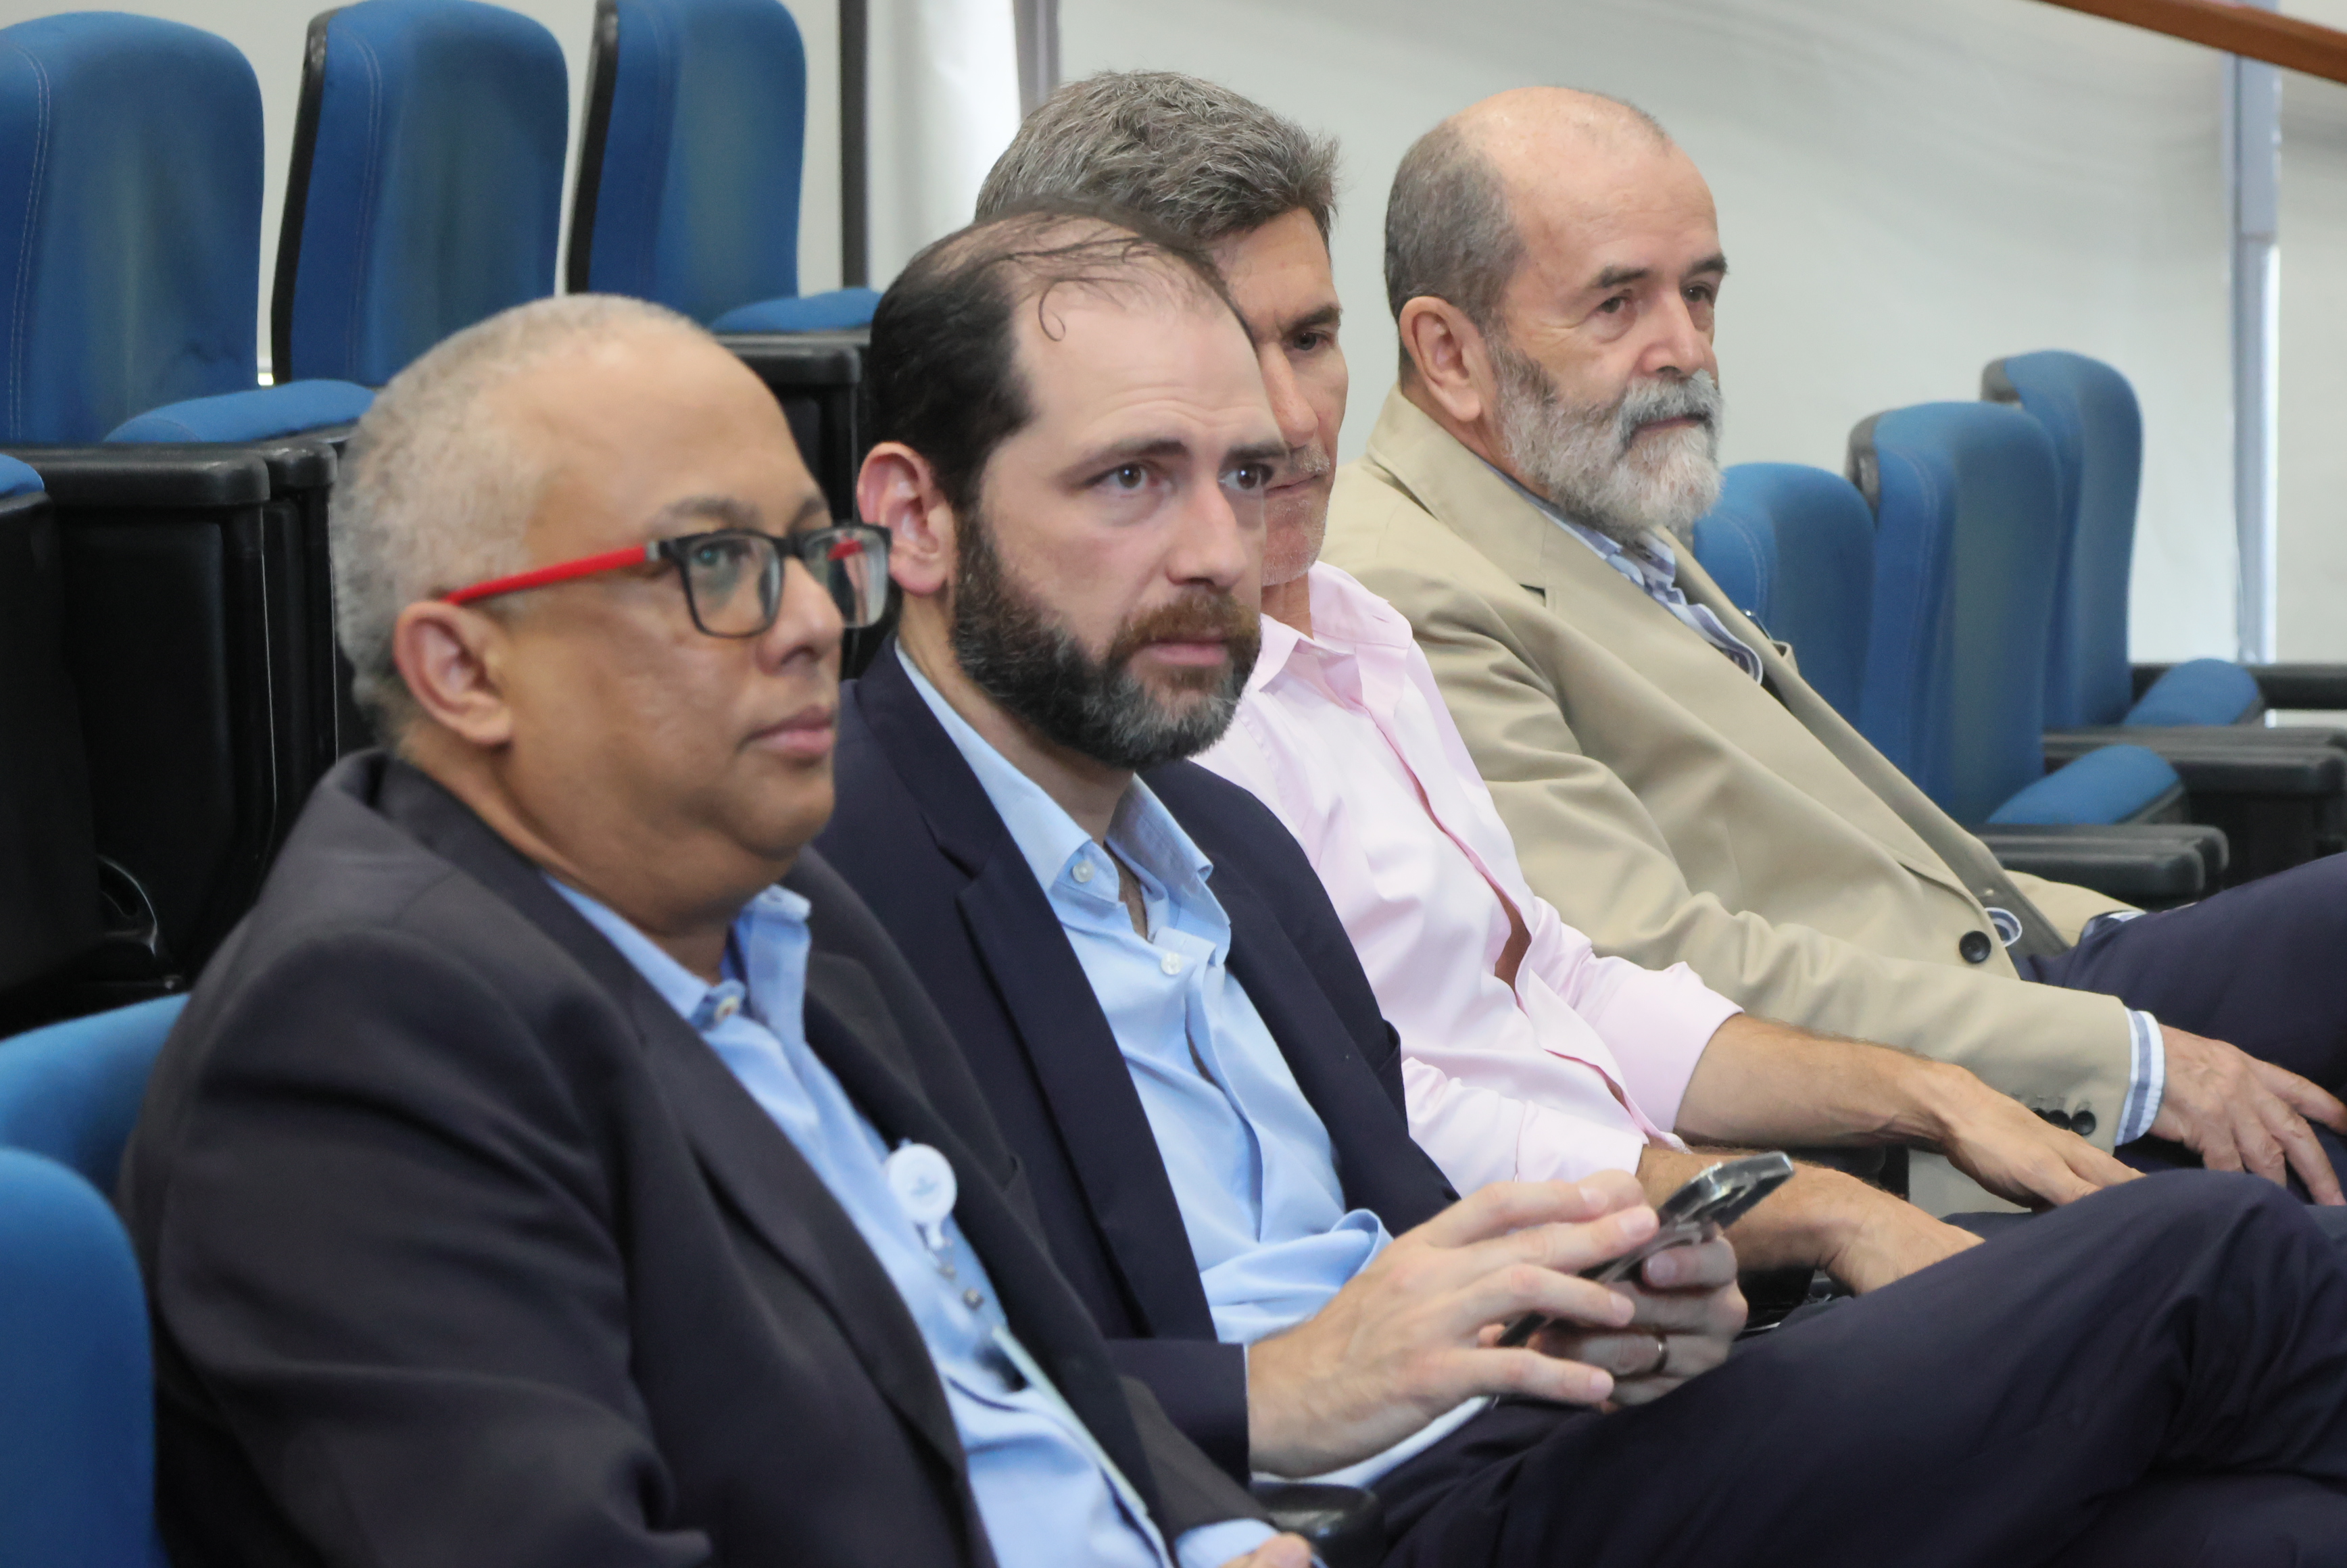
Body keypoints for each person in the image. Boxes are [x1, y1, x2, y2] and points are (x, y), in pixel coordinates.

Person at [818, 201, 2347, 1563]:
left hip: (1529, 1423)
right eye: (1132, 481)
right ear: (914, 517)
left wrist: (1595, 1304)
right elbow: (852, 1386)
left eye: (1243, 475)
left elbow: (1437, 1160)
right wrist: (1280, 1387)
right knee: (2205, 1253)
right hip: (1335, 1515)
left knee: (2267, 1530)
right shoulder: (824, 892)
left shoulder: (1225, 838)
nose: (1219, 547)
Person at [116, 295, 1307, 1568]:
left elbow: (1023, 1357)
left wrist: (1226, 1538)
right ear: (464, 669)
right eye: (718, 566)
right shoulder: (362, 1038)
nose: (813, 624)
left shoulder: (779, 907)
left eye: (812, 554)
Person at [970, 70, 2150, 1298]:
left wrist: (1930, 1097)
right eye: (1219, 353)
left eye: (1313, 341)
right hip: (1556, 1302)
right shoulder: (1160, 721)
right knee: (2216, 1269)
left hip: (1674, 1239)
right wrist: (1800, 1214)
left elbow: (1562, 979)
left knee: (2219, 1255)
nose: (1291, 420)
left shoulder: (1363, 624)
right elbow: (1386, 1112)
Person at [1324, 85, 2347, 1212]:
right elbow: (1657, 970)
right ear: (1449, 352)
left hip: (2006, 969)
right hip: (1908, 1102)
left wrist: (2115, 942)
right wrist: (2131, 1059)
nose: (1686, 350)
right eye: (1617, 303)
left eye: (1699, 293)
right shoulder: (1406, 589)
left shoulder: (1583, 490)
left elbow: (1874, 862)